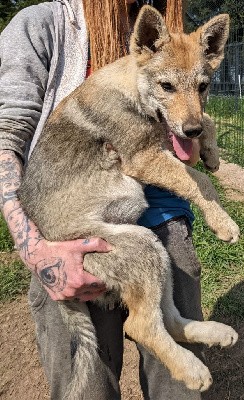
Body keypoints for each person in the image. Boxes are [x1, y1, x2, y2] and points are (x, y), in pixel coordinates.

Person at [0, 0, 205, 399]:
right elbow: (5, 137)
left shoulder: (177, 35)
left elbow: (188, 137)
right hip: (74, 227)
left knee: (178, 386)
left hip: (162, 214)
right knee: (87, 385)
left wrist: (193, 139)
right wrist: (35, 249)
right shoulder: (43, 26)